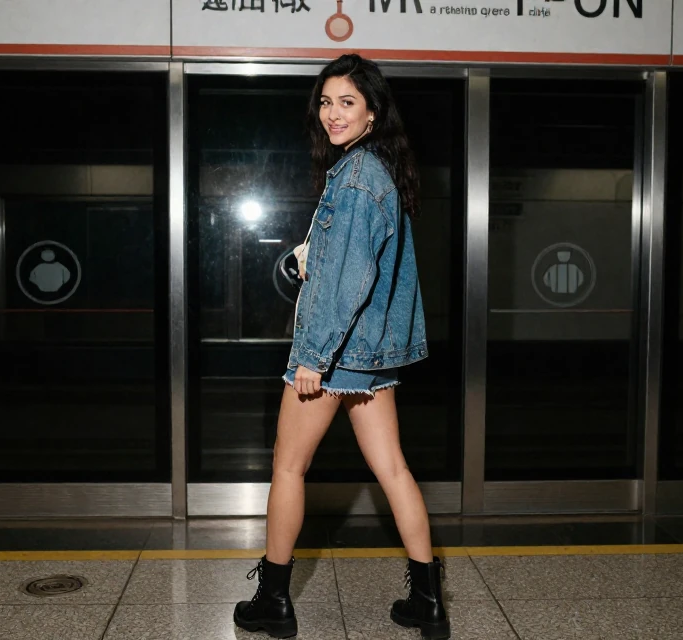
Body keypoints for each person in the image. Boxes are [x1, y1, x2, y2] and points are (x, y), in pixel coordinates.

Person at [234, 54, 448, 640]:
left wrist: (313, 357)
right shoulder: (383, 173)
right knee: (396, 470)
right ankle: (428, 600)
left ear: (373, 114)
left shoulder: (354, 180)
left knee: (288, 466)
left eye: (347, 102)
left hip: (334, 355)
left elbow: (351, 281)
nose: (333, 114)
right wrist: (316, 260)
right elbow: (366, 270)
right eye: (326, 102)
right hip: (370, 356)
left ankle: (273, 601)